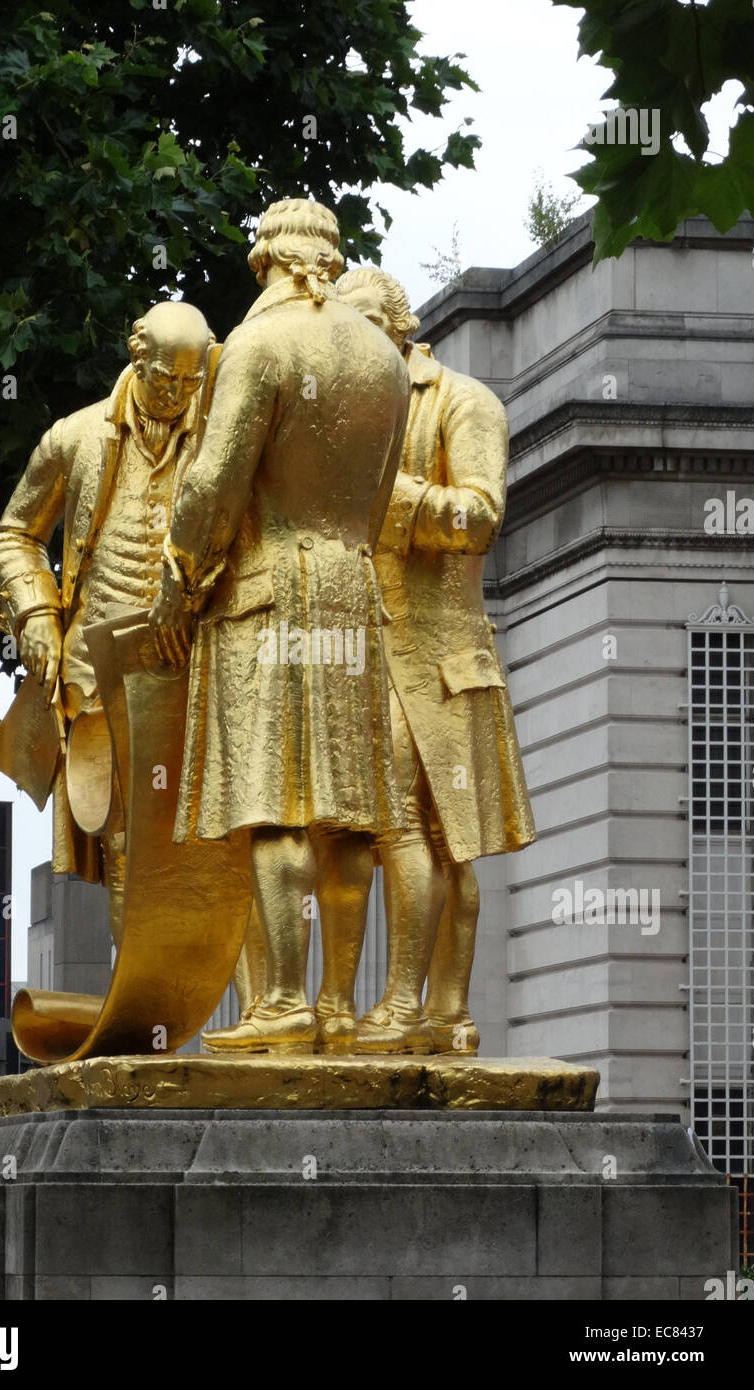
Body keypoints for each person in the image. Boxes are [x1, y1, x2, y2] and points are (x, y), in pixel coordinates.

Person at [150, 199, 410, 1053]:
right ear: (330, 259)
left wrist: (177, 585)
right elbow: (375, 501)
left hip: (268, 592)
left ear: (266, 260)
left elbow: (213, 488)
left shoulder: (259, 343)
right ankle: (336, 1004)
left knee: (277, 807)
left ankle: (284, 1000)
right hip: (353, 587)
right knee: (351, 815)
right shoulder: (383, 355)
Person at [334, 267, 536, 1054]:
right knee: (398, 831)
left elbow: (478, 516)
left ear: (396, 324)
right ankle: (437, 1014)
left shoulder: (462, 400)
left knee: (423, 833)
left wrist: (387, 490)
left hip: (443, 658)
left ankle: (414, 1007)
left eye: (356, 326)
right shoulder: (342, 418)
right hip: (361, 657)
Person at [0, 301, 213, 946]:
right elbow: (15, 533)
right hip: (95, 669)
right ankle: (136, 1007)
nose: (176, 394)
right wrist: (35, 612)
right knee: (121, 839)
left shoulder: (223, 440)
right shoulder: (75, 436)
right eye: (165, 378)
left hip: (194, 661)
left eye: (191, 382)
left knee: (214, 833)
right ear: (136, 359)